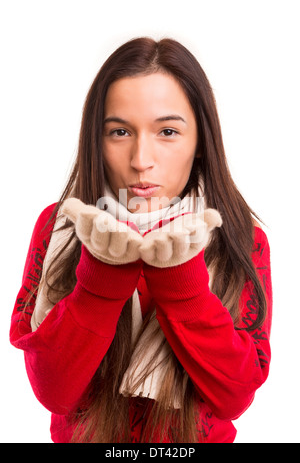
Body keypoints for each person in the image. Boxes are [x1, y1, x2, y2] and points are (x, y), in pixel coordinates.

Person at [9, 37, 272, 443]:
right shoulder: (61, 226)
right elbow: (53, 392)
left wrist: (180, 277)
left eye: (167, 131)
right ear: (96, 140)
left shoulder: (239, 235)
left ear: (200, 142)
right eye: (119, 132)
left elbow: (235, 394)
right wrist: (102, 273)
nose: (140, 159)